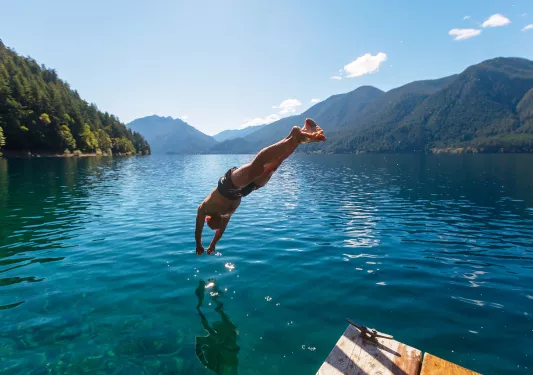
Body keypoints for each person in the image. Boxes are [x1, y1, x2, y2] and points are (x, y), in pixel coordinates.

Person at [195, 118, 326, 255]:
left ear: (208, 218)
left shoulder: (205, 208)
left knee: (256, 167)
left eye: (214, 222)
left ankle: (295, 137)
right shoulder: (225, 217)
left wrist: (198, 244)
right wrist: (212, 245)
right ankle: (299, 135)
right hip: (241, 192)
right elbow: (220, 232)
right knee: (271, 168)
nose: (219, 224)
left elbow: (199, 224)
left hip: (228, 185)